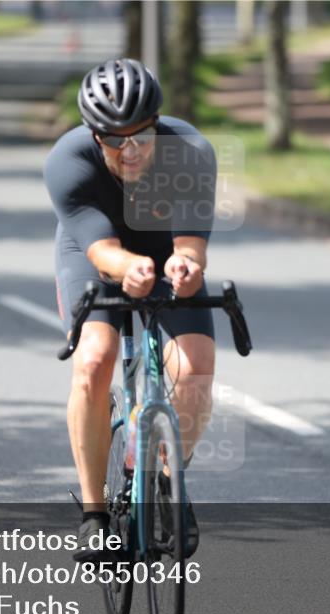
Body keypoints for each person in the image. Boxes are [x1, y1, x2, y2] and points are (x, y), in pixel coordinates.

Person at [44, 58, 217, 561]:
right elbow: (100, 250)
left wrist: (184, 266)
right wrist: (129, 267)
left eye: (140, 136)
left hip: (164, 251)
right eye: (115, 140)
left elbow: (191, 246)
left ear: (157, 124)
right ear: (94, 135)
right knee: (94, 362)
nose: (130, 150)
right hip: (96, 256)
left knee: (196, 368)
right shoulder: (67, 160)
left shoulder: (191, 152)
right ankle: (95, 514)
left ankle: (170, 480)